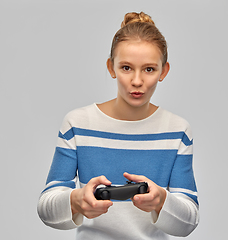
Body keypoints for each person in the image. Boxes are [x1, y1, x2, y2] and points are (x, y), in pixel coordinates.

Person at [37, 11, 199, 239]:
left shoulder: (177, 130)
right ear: (111, 68)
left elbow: (189, 221)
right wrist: (76, 200)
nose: (137, 81)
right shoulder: (77, 124)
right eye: (126, 68)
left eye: (149, 69)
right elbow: (46, 208)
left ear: (164, 71)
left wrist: (161, 200)